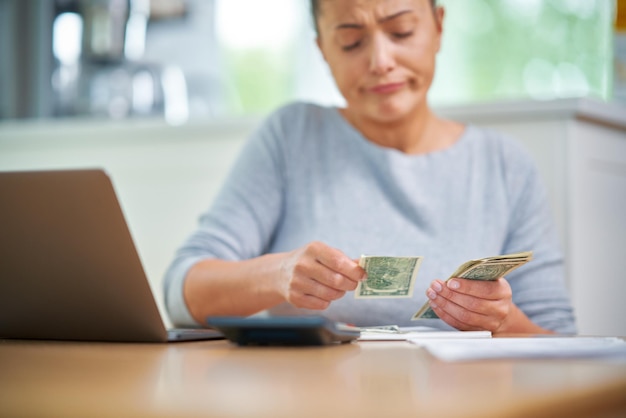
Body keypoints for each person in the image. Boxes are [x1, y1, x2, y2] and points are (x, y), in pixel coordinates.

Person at [163, 0, 577, 334]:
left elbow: (560, 344)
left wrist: (503, 322)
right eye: (350, 42)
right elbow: (183, 292)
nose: (380, 60)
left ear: (438, 25)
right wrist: (278, 273)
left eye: (401, 32)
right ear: (323, 50)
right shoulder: (292, 137)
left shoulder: (506, 167)